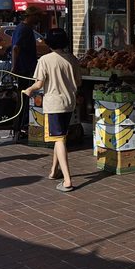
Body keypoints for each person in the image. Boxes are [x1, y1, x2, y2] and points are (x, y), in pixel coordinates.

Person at [22, 28, 82, 192]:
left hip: (54, 104)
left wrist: (29, 90)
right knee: (60, 137)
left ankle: (67, 180)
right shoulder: (72, 59)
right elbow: (78, 82)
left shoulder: (45, 60)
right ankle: (54, 171)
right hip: (69, 102)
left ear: (48, 43)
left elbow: (39, 83)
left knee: (59, 139)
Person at [10, 6, 42, 139]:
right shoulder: (24, 29)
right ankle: (22, 126)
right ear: (31, 16)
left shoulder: (25, 28)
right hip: (24, 70)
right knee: (25, 98)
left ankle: (22, 125)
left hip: (27, 68)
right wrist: (14, 66)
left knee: (26, 97)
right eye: (37, 16)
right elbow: (16, 48)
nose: (39, 19)